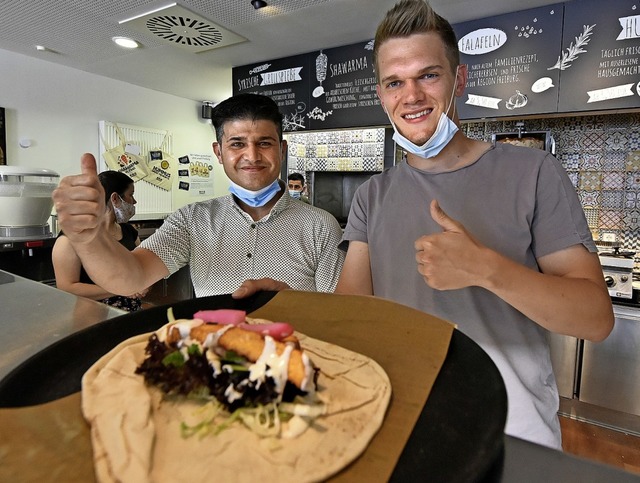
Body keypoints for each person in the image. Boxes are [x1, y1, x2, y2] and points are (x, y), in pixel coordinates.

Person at [333, 0, 614, 449]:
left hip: (511, 431)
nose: (412, 96)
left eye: (428, 75)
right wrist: (289, 303)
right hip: (405, 422)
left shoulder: (534, 173)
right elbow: (352, 317)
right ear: (382, 94)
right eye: (394, 82)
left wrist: (486, 269)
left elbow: (595, 318)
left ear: (458, 79)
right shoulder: (372, 195)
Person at [52, 93, 345, 299]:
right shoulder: (191, 220)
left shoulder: (320, 225)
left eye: (264, 143)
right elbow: (131, 278)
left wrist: (292, 303)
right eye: (237, 143)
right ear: (219, 152)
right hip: (211, 366)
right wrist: (88, 238)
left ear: (281, 149)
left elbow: (338, 311)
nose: (251, 156)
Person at [52, 170, 148, 311]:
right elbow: (67, 287)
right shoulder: (71, 239)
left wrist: (144, 284)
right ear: (115, 198)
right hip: (91, 319)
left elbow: (143, 268)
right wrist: (122, 289)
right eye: (131, 195)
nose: (134, 201)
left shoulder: (129, 232)